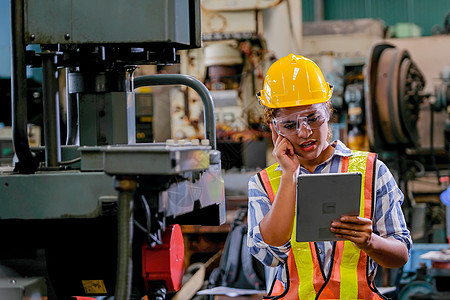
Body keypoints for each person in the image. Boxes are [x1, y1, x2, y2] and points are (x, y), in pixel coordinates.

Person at [247, 54, 411, 299]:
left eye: (313, 118)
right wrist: (289, 175)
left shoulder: (371, 170)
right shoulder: (264, 183)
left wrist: (370, 242)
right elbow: (270, 255)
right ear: (274, 128)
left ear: (328, 111)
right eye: (290, 125)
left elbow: (400, 255)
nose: (304, 133)